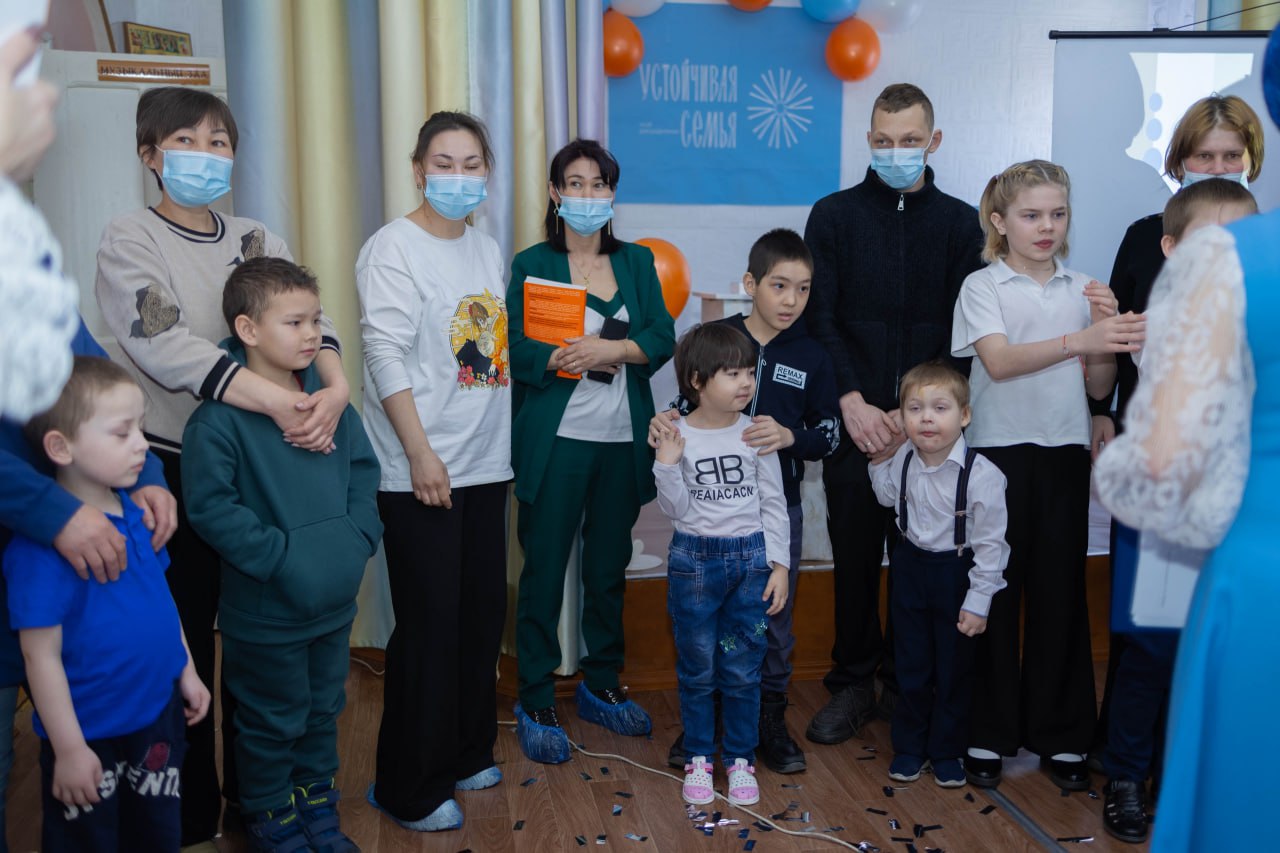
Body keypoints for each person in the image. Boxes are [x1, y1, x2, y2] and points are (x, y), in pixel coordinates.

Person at [93, 86, 350, 847]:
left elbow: (309, 315)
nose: (205, 156)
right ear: (150, 155)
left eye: (219, 142)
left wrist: (334, 388)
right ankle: (189, 813)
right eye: (186, 142)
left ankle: (257, 800)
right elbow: (163, 343)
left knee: (257, 640)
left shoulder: (254, 235)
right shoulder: (130, 237)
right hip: (168, 467)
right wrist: (280, 401)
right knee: (181, 640)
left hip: (264, 464)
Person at [1093, 32, 1280, 848]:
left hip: (1229, 511)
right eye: (1204, 155)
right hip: (1183, 483)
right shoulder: (1151, 236)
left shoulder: (1248, 250)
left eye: (1230, 155)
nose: (1218, 165)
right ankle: (1127, 774)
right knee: (1149, 639)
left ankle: (1183, 781)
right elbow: (1118, 369)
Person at [950, 159, 1145, 789]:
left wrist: (1101, 333)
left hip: (1063, 450)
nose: (1046, 226)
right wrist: (1079, 342)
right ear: (999, 221)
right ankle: (987, 732)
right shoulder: (983, 285)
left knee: (1060, 590)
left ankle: (1062, 735)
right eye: (1031, 215)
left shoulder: (1083, 287)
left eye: (1057, 214)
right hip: (996, 452)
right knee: (994, 587)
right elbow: (1000, 363)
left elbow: (1100, 385)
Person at [803, 83, 984, 744]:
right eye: (883, 140)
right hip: (853, 423)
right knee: (854, 559)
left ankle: (914, 687)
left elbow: (964, 332)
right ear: (869, 140)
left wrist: (915, 418)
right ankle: (853, 682)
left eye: (909, 140)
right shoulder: (832, 216)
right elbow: (819, 319)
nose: (896, 151)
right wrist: (852, 401)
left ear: (933, 141)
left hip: (929, 430)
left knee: (925, 566)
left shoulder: (962, 224)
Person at [181, 258, 382, 853]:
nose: (312, 334)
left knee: (323, 711)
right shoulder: (216, 422)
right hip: (266, 612)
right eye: (294, 323)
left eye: (316, 320)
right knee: (272, 720)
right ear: (247, 330)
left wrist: (355, 539)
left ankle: (317, 807)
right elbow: (212, 510)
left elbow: (364, 475)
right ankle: (271, 817)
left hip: (333, 606)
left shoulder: (330, 404)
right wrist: (283, 559)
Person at [357, 111, 510, 833]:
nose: (458, 176)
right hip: (422, 466)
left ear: (487, 173)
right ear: (419, 170)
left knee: (480, 617)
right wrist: (419, 452)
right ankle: (408, 785)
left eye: (471, 164)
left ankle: (465, 750)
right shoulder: (392, 248)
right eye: (443, 163)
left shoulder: (487, 247)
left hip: (486, 462)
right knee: (429, 626)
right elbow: (383, 354)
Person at [507, 138, 675, 763]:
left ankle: (602, 683)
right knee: (544, 571)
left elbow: (661, 335)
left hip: (621, 441)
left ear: (612, 193)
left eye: (598, 184)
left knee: (607, 571)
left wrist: (613, 350)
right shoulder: (532, 262)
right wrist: (557, 357)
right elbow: (512, 347)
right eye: (574, 183)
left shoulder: (635, 260)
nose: (587, 195)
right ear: (556, 194)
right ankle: (535, 696)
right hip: (557, 443)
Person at [648, 228, 838, 774]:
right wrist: (664, 425)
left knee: (771, 623)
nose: (791, 300)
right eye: (779, 285)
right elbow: (681, 405)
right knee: (704, 631)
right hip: (709, 519)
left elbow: (830, 435)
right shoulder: (719, 337)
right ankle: (705, 725)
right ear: (751, 284)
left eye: (803, 288)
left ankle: (767, 720)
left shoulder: (812, 353)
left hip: (777, 510)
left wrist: (790, 437)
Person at [4, 356, 209, 852]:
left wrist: (186, 670)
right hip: (89, 731)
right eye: (122, 433)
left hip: (156, 716)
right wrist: (70, 749)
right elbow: (39, 656)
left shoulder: (136, 514)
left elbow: (161, 601)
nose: (143, 444)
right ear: (61, 447)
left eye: (141, 427)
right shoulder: (39, 550)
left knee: (155, 832)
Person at [652, 323, 790, 808]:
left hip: (750, 565)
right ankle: (698, 758)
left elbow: (773, 503)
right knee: (697, 668)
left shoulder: (756, 433)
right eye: (732, 373)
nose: (745, 382)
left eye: (749, 372)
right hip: (694, 565)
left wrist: (780, 565)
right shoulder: (677, 434)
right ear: (697, 380)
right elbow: (675, 511)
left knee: (742, 667)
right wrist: (667, 464)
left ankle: (740, 759)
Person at [868, 361, 1008, 789]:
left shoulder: (983, 476)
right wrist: (878, 459)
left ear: (964, 416)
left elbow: (992, 548)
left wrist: (978, 602)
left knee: (954, 669)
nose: (926, 418)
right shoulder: (903, 459)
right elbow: (886, 496)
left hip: (956, 575)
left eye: (940, 408)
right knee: (911, 665)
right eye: (915, 409)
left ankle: (947, 751)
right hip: (910, 569)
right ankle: (910, 747)